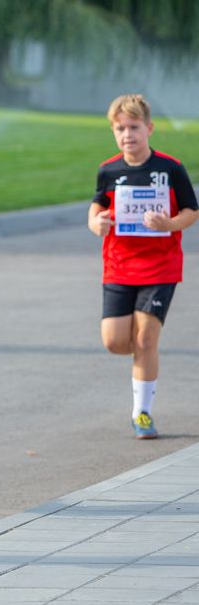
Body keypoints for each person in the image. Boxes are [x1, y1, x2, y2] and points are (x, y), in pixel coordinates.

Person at [88, 94, 198, 439]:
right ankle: (143, 358)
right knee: (115, 341)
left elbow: (191, 212)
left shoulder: (170, 168)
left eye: (134, 127)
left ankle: (143, 413)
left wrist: (169, 224)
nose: (127, 134)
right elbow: (95, 208)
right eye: (120, 128)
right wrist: (97, 223)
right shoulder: (109, 170)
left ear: (149, 128)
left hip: (160, 267)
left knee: (146, 339)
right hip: (118, 266)